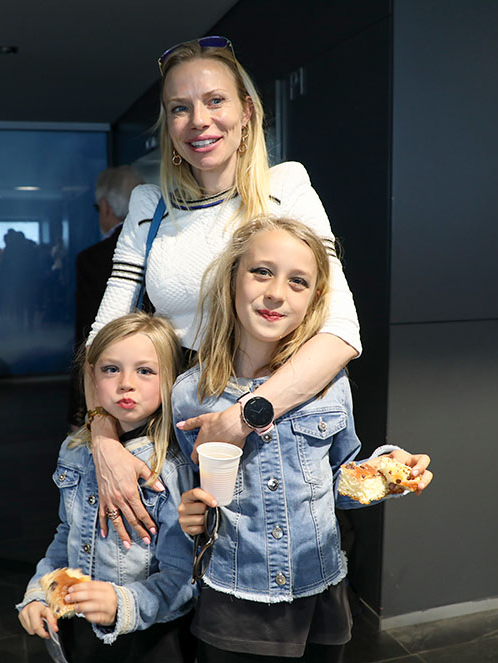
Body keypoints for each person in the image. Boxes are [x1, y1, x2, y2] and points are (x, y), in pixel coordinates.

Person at [85, 36, 362, 546]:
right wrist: (102, 438)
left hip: (274, 419)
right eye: (180, 108)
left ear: (246, 112)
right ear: (168, 125)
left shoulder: (286, 188)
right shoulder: (150, 205)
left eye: (215, 100)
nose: (199, 120)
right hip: (171, 427)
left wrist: (246, 415)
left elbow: (341, 331)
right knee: (170, 575)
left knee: (277, 571)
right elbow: (102, 339)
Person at [174, 218, 433, 661]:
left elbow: (339, 481)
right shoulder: (191, 395)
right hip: (234, 599)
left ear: (315, 298)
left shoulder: (330, 385)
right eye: (261, 272)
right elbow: (186, 491)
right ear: (232, 279)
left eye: (298, 281)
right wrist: (188, 512)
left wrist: (387, 472)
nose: (277, 293)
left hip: (320, 593)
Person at [18, 312, 197, 663]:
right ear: (92, 376)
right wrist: (40, 592)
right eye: (111, 369)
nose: (125, 383)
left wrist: (121, 603)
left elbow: (183, 576)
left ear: (171, 379)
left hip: (150, 637)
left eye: (145, 371)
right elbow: (66, 534)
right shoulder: (74, 450)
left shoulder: (171, 467)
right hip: (81, 631)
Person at [68, 166, 145, 428]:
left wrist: (79, 408)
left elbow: (88, 335)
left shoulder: (92, 259)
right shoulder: (162, 248)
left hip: (111, 381)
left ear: (105, 206)